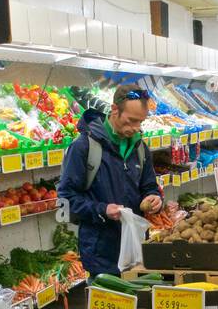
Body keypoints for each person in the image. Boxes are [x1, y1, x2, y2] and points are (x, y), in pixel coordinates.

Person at [58, 87, 163, 277]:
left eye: (141, 121)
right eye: (131, 120)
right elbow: (65, 199)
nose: (136, 128)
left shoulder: (140, 148)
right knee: (107, 304)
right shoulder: (83, 147)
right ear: (115, 110)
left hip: (136, 248)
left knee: (140, 303)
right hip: (101, 254)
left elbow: (149, 186)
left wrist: (154, 197)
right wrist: (102, 210)